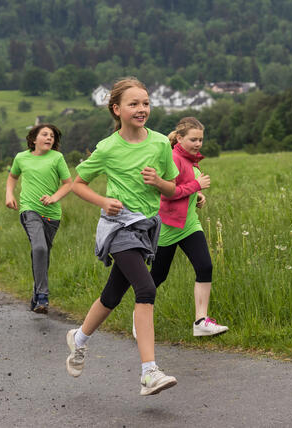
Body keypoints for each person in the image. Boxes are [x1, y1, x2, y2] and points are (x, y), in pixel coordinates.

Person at [64, 77, 180, 396]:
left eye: (145, 103)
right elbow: (78, 184)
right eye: (134, 104)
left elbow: (172, 187)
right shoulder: (108, 148)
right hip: (119, 227)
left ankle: (80, 339)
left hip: (146, 228)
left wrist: (159, 182)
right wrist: (104, 202)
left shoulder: (158, 143)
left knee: (113, 294)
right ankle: (149, 372)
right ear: (117, 109)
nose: (142, 109)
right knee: (145, 288)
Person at [146, 117, 229, 337]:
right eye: (193, 139)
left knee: (205, 267)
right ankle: (140, 320)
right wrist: (197, 185)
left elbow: (185, 188)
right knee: (157, 276)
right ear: (180, 138)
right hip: (169, 225)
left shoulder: (190, 159)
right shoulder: (173, 158)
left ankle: (201, 322)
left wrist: (198, 195)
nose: (198, 144)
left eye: (201, 139)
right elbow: (167, 194)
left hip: (189, 223)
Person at [5, 124, 72, 313]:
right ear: (34, 139)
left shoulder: (57, 158)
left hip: (52, 214)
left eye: (52, 135)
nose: (49, 138)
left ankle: (36, 293)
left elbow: (68, 184)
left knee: (43, 252)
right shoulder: (21, 157)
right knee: (39, 247)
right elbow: (12, 177)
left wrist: (54, 198)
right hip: (29, 209)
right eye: (44, 134)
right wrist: (9, 194)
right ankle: (43, 296)